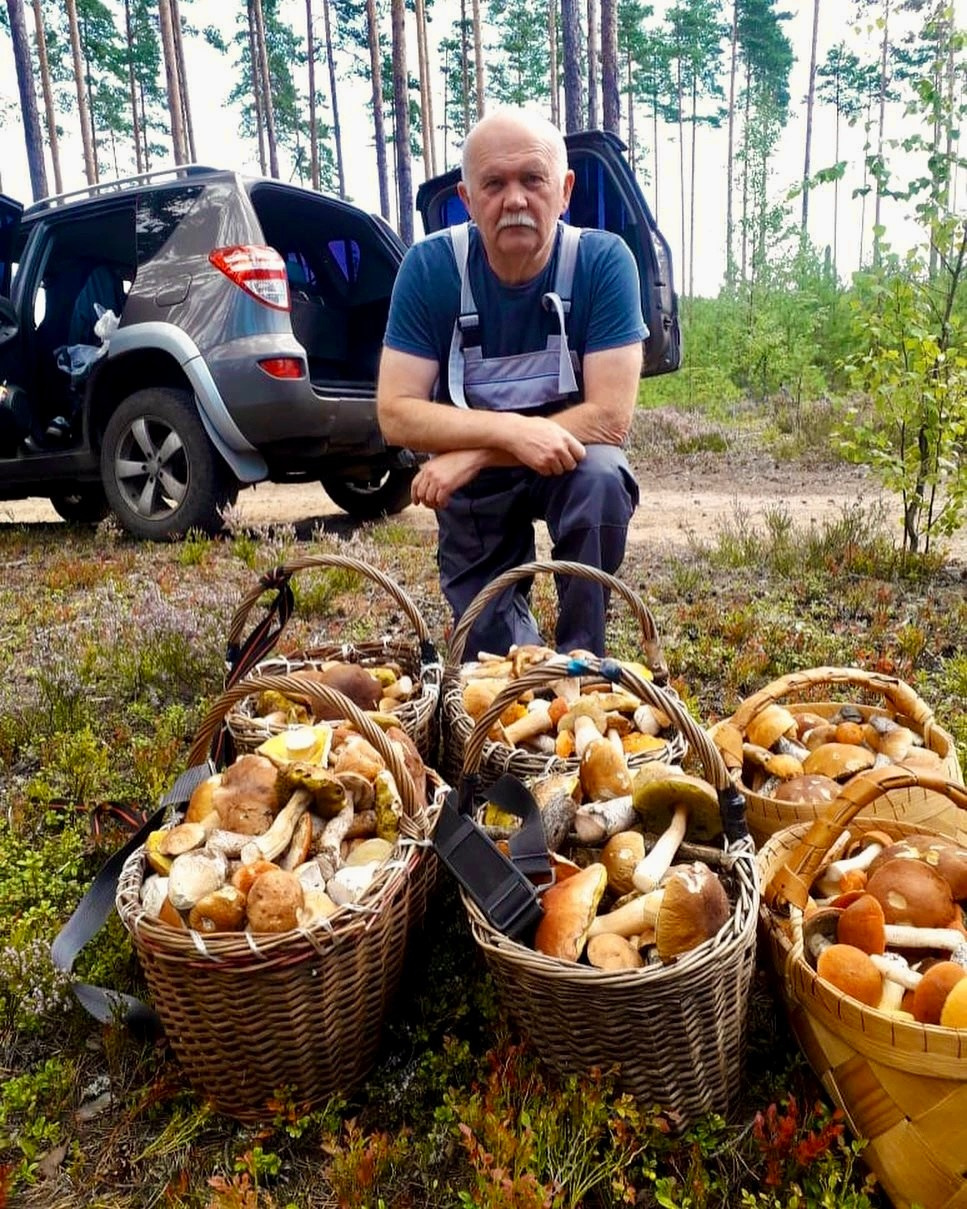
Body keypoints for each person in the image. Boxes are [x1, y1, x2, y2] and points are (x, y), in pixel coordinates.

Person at [377, 106, 646, 658]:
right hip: (475, 490)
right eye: (494, 184)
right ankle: (519, 670)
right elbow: (395, 412)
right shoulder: (431, 269)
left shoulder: (603, 262)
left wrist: (474, 452)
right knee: (495, 657)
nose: (515, 200)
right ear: (468, 198)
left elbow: (609, 419)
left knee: (601, 476)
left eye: (533, 180)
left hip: (568, 464)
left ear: (564, 191)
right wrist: (512, 434)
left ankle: (582, 662)